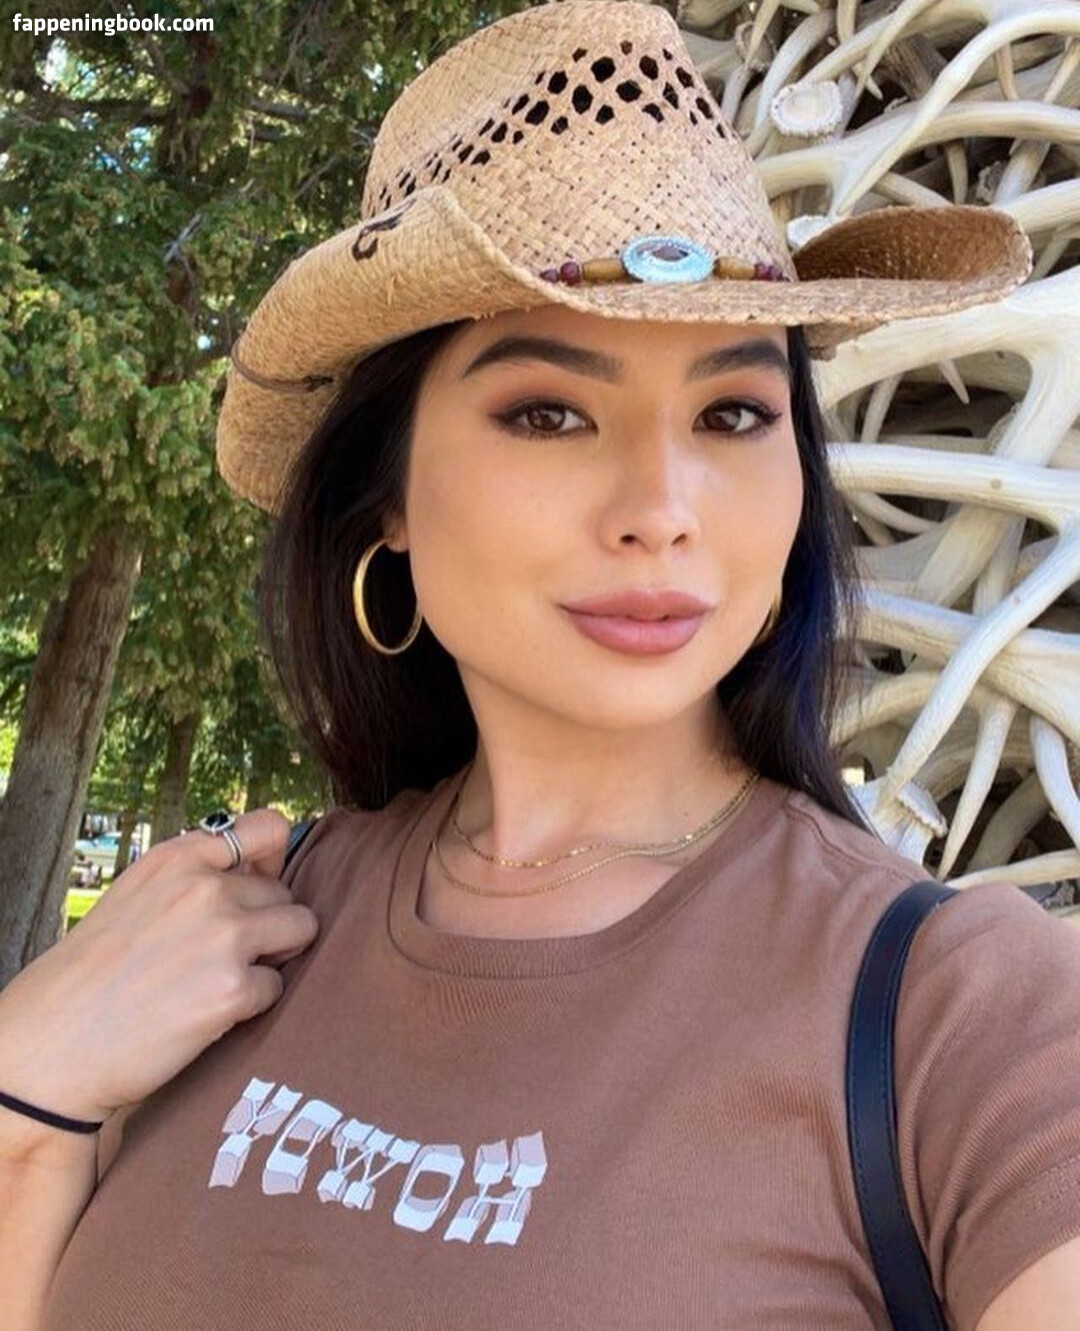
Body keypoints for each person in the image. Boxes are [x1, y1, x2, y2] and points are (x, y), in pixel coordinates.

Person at [6, 4, 1079, 1330]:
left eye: (733, 413)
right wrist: (26, 1090)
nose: (663, 509)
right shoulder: (217, 938)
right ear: (386, 495)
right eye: (550, 412)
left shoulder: (962, 1018)